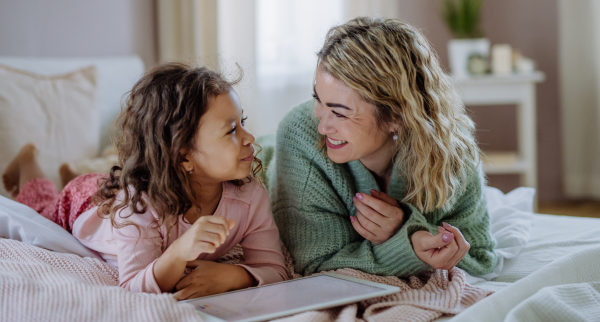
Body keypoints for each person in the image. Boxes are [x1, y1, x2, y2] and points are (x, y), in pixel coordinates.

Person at [2, 63, 288, 299]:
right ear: (183, 156)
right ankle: (29, 161)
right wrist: (178, 252)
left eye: (244, 121)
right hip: (87, 205)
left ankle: (71, 172)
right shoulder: (140, 204)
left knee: (105, 181)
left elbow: (276, 268)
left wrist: (235, 276)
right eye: (231, 131)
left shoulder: (251, 195)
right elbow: (132, 285)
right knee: (41, 206)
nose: (250, 137)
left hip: (114, 187)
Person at [263, 17, 499, 278]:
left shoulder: (453, 147)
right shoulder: (300, 136)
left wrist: (406, 230)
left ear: (397, 116)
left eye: (340, 114)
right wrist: (406, 244)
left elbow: (479, 257)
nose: (323, 126)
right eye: (318, 100)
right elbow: (316, 262)